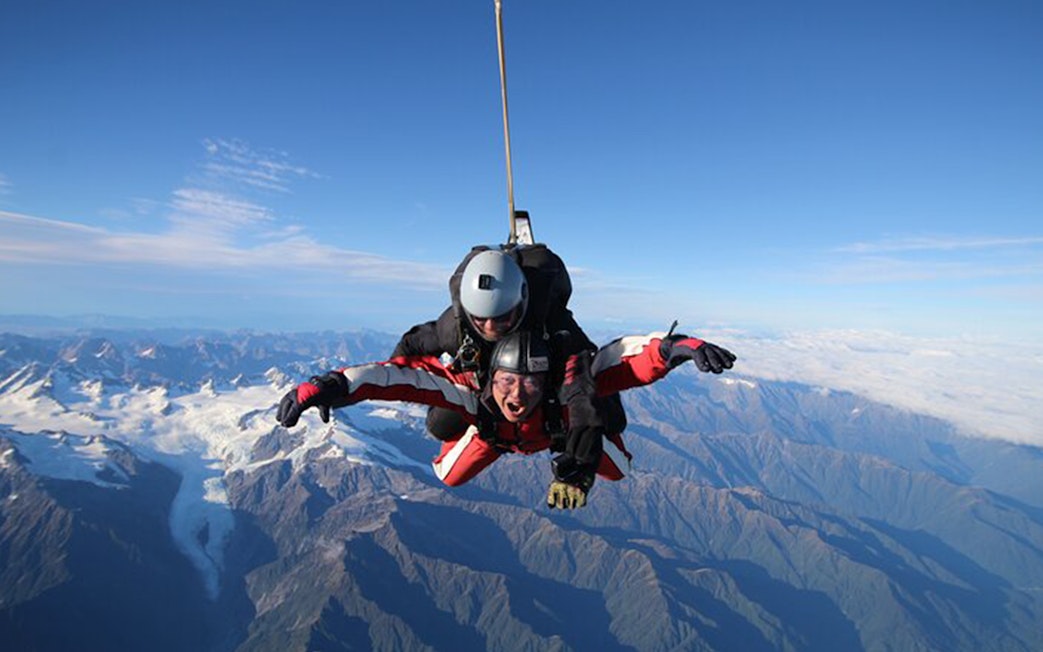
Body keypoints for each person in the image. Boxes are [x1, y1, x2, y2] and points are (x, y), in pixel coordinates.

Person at [276, 328, 737, 509]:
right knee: (448, 475)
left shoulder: (566, 383)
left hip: (561, 429)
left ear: (547, 380)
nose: (517, 395)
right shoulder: (466, 387)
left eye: (530, 384)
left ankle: (583, 430)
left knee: (620, 470)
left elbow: (626, 357)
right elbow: (394, 378)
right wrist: (332, 385)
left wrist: (678, 348)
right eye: (506, 384)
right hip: (494, 435)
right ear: (488, 379)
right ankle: (499, 435)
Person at [392, 244, 625, 486]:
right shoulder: (454, 328)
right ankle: (491, 427)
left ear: (521, 303)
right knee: (439, 426)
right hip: (484, 389)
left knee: (612, 419)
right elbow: (412, 344)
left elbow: (585, 374)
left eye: (502, 317)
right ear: (469, 313)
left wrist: (582, 458)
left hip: (546, 389)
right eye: (481, 320)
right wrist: (394, 377)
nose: (491, 328)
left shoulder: (555, 325)